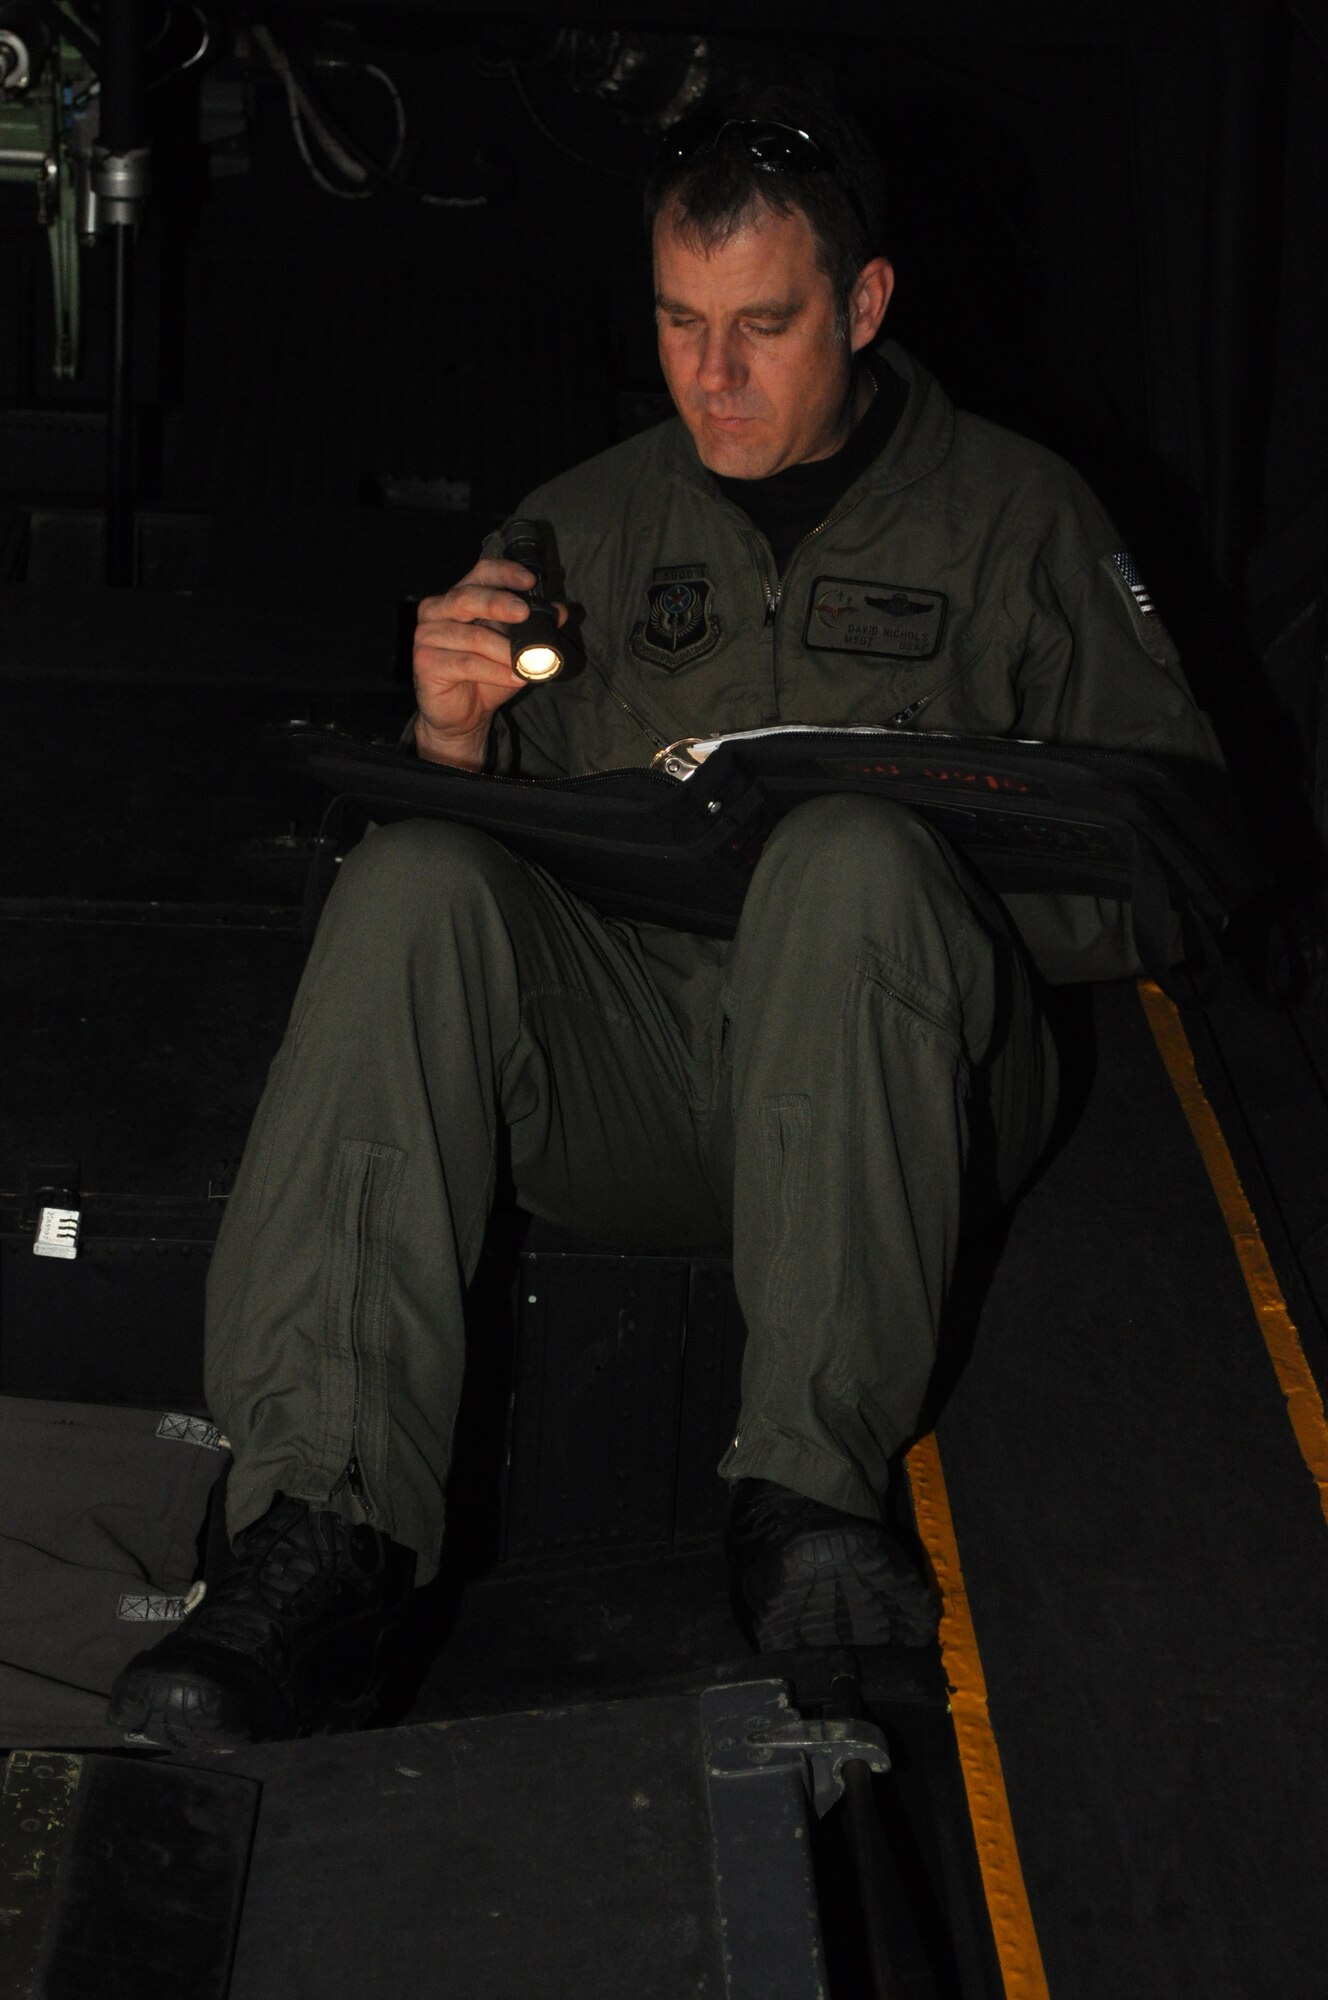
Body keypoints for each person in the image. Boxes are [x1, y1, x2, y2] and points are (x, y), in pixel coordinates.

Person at [109, 88, 1221, 1750]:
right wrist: (451, 742)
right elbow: (481, 885)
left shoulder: (1022, 518)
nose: (713, 378)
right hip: (648, 1073)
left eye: (763, 328)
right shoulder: (585, 523)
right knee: (411, 875)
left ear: (862, 306)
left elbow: (1176, 866)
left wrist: (937, 891)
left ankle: (809, 1504)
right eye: (680, 325)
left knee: (844, 860)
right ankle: (319, 1530)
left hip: (909, 1087)